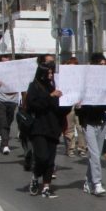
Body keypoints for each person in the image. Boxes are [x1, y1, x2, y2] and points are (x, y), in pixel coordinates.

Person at [26, 64, 66, 198]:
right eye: (48, 73)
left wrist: (70, 103)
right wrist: (50, 96)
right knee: (42, 157)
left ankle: (46, 187)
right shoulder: (34, 86)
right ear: (42, 73)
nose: (50, 75)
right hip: (39, 128)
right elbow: (33, 105)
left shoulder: (54, 87)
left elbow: (60, 109)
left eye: (52, 73)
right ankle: (36, 176)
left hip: (53, 127)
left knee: (50, 160)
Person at [76, 52, 106, 197]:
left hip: (102, 122)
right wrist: (80, 105)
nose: (104, 68)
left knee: (95, 155)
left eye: (105, 65)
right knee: (95, 154)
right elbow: (81, 104)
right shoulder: (86, 83)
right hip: (89, 123)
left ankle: (88, 180)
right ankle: (97, 183)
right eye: (101, 65)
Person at [0, 55, 21, 155]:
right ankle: (5, 144)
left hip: (12, 102)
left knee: (9, 122)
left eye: (7, 62)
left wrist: (17, 100)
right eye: (3, 62)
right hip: (1, 102)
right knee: (3, 122)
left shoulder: (15, 74)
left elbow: (20, 87)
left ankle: (4, 139)